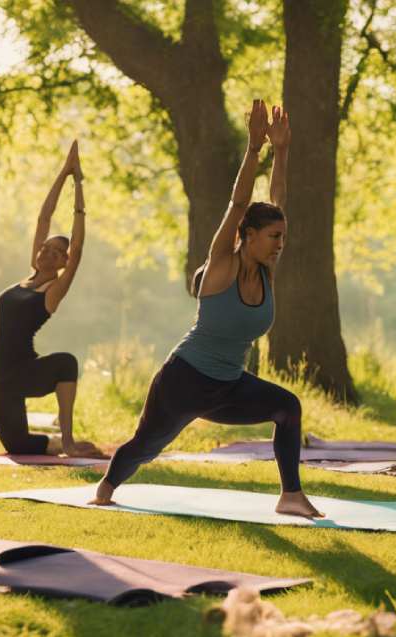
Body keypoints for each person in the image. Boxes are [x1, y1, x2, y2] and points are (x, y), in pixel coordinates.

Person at [92, 100, 323, 518]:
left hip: (228, 386)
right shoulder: (222, 265)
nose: (280, 243)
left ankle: (290, 495)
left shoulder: (268, 269)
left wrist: (283, 150)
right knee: (146, 447)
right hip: (183, 381)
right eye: (272, 236)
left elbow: (279, 201)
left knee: (287, 406)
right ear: (247, 236)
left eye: (282, 237)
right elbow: (237, 206)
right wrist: (254, 149)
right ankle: (106, 487)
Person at [0, 141, 101, 458]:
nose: (47, 253)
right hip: (1, 381)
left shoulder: (53, 290)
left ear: (64, 262)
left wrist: (79, 187)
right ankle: (57, 445)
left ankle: (67, 441)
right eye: (44, 248)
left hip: (26, 371)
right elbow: (43, 218)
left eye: (56, 252)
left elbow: (77, 247)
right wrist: (64, 172)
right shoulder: (29, 275)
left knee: (66, 361)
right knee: (18, 447)